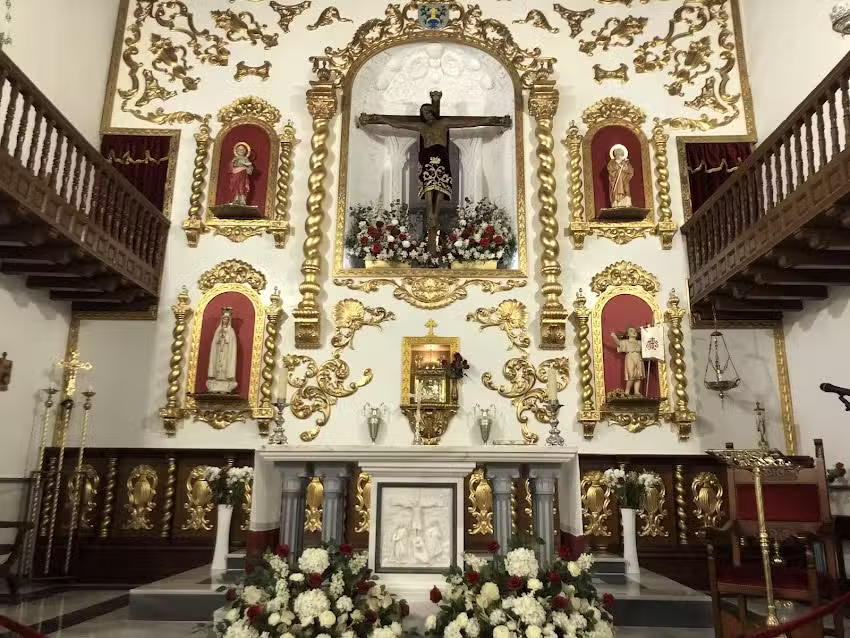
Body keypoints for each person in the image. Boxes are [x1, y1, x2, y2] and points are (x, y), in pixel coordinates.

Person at [359, 91, 511, 255]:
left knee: (440, 184)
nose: (427, 115)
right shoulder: (421, 126)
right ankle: (431, 214)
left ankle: (435, 214)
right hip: (427, 156)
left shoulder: (444, 123)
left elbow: (469, 123)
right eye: (423, 113)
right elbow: (397, 124)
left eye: (428, 111)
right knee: (429, 186)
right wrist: (379, 119)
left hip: (441, 155)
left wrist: (494, 121)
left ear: (433, 112)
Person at [207, 307, 238, 394]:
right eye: (224, 318)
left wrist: (226, 337)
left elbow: (232, 343)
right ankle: (215, 383)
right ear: (222, 319)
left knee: (225, 366)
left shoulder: (231, 331)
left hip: (226, 353)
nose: (225, 320)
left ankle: (225, 384)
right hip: (218, 352)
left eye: (227, 319)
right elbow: (214, 342)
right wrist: (219, 338)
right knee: (217, 366)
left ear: (229, 320)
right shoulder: (218, 330)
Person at [610, 327, 645, 395]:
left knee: (638, 375)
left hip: (638, 357)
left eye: (635, 331)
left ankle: (636, 391)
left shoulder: (640, 342)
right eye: (631, 331)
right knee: (631, 375)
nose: (634, 332)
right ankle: (627, 391)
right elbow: (618, 343)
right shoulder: (625, 342)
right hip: (630, 358)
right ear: (628, 334)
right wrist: (614, 337)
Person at [608, 144, 634, 208]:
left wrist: (624, 166)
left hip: (624, 180)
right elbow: (610, 169)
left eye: (620, 153)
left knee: (626, 190)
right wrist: (618, 166)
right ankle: (617, 202)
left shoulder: (626, 162)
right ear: (615, 154)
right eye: (617, 153)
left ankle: (626, 202)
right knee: (616, 192)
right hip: (615, 181)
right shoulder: (612, 162)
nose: (618, 155)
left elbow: (630, 171)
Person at [228, 142, 254, 206]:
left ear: (245, 151)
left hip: (242, 174)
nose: (241, 151)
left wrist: (248, 169)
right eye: (239, 149)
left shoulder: (245, 159)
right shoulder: (234, 159)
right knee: (235, 186)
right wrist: (232, 165)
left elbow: (250, 166)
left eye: (242, 149)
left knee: (241, 186)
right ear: (236, 151)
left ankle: (242, 199)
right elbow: (230, 167)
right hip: (235, 174)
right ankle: (236, 198)